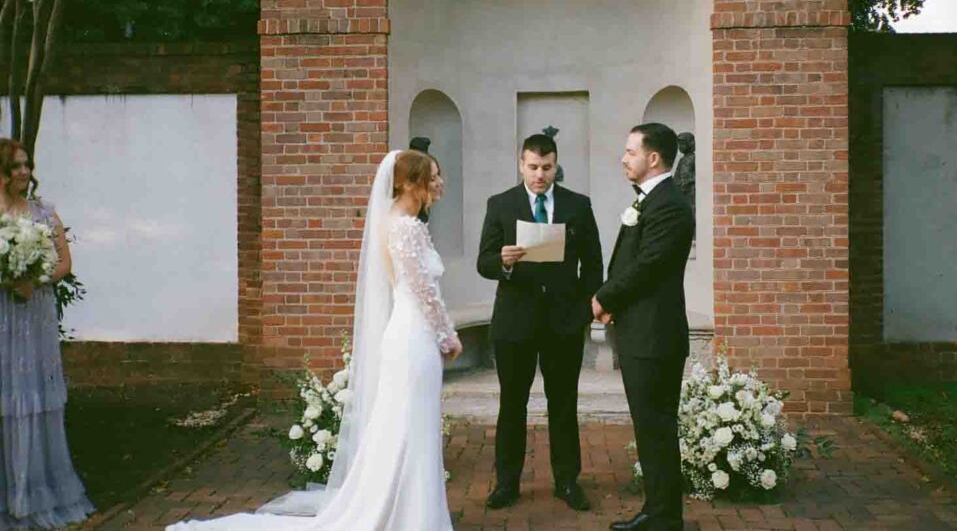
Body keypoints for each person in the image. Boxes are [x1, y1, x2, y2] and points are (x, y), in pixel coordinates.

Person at [169, 150, 462, 530]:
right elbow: (422, 291)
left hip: (407, 333)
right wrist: (447, 336)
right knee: (412, 428)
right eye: (432, 176)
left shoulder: (397, 221)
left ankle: (407, 513)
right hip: (415, 336)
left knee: (406, 428)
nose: (440, 183)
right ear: (409, 183)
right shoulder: (404, 226)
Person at [476, 133, 603, 512]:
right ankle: (507, 483)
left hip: (563, 323)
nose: (539, 175)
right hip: (515, 323)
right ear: (521, 164)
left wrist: (583, 308)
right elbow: (483, 262)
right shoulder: (501, 204)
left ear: (556, 165)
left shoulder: (578, 205)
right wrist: (504, 261)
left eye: (546, 168)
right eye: (533, 167)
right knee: (511, 404)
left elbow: (593, 264)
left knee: (563, 403)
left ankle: (567, 481)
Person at [592, 123, 694, 531]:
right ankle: (661, 512)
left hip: (655, 337)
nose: (623, 157)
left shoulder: (668, 204)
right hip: (643, 332)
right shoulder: (652, 201)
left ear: (653, 158)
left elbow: (648, 266)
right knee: (652, 428)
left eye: (630, 151)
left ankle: (664, 517)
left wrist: (604, 298)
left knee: (655, 428)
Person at [0, 138, 95, 529]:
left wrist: (33, 279)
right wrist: (7, 279)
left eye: (27, 165)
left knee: (33, 393)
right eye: (16, 166)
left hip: (33, 313)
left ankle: (35, 490)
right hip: (3, 311)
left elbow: (64, 263)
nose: (24, 172)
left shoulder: (43, 212)